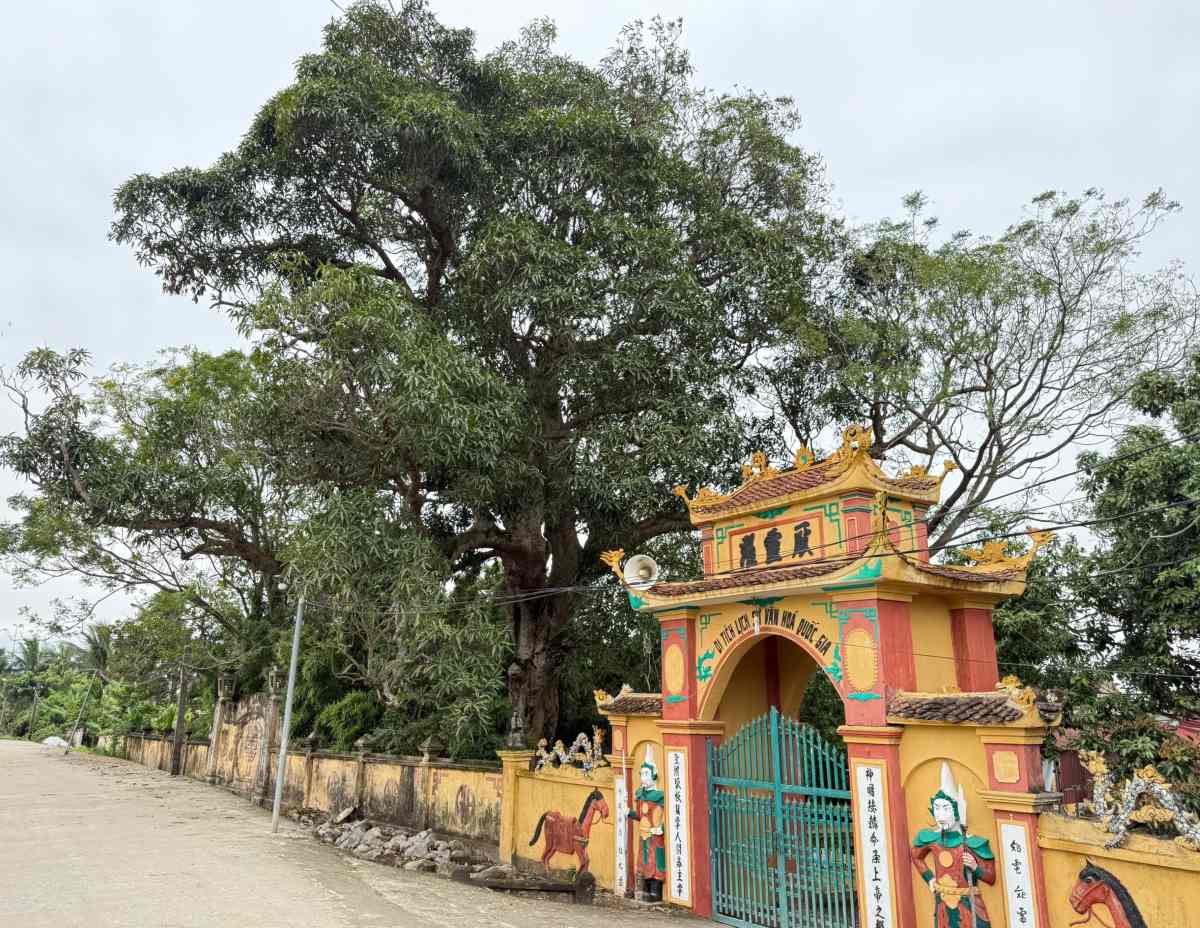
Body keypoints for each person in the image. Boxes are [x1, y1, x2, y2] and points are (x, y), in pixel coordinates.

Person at [910, 789, 996, 928]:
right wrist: (930, 879)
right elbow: (916, 856)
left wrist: (975, 868)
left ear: (957, 811)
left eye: (946, 809)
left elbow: (991, 877)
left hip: (969, 904)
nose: (940, 815)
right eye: (936, 809)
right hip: (943, 904)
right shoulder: (932, 839)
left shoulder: (973, 843)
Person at [628, 747, 666, 901]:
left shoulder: (660, 796)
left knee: (655, 860)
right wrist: (628, 812)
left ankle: (656, 892)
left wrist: (660, 828)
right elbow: (639, 816)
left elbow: (665, 817)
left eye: (646, 774)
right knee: (644, 861)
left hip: (655, 834)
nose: (643, 777)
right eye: (641, 774)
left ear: (653, 775)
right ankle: (644, 888)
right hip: (643, 835)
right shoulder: (641, 795)